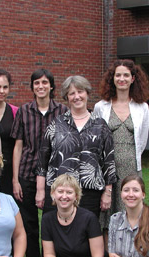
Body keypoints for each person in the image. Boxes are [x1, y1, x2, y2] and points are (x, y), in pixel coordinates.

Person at [36, 75, 117, 218]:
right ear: (66, 97)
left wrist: (108, 192)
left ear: (87, 93)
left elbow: (109, 162)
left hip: (90, 193)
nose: (77, 96)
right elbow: (42, 161)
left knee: (86, 235)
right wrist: (40, 190)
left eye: (80, 91)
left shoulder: (101, 125)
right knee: (56, 233)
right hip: (58, 192)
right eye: (72, 93)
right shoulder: (56, 124)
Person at [10, 69, 68, 257]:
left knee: (54, 225)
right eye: (36, 83)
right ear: (32, 87)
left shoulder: (62, 111)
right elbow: (18, 146)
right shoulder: (24, 111)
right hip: (27, 173)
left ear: (51, 86)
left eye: (44, 82)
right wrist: (15, 179)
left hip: (55, 177)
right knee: (29, 226)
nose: (41, 86)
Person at [93, 59, 149, 232]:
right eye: (118, 75)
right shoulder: (101, 107)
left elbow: (143, 140)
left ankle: (130, 254)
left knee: (130, 210)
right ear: (113, 78)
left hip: (131, 167)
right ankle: (106, 256)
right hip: (107, 167)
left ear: (133, 79)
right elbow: (96, 138)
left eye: (126, 75)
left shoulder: (142, 107)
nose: (122, 79)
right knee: (106, 213)